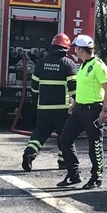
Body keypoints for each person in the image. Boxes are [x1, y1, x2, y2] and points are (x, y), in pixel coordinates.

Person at [56, 34, 107, 188]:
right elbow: (82, 87)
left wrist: (105, 110)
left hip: (93, 110)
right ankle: (73, 175)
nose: (74, 50)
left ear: (81, 49)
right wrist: (74, 103)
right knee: (65, 139)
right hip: (79, 110)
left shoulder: (98, 66)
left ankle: (96, 177)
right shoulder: (83, 65)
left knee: (94, 145)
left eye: (75, 48)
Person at [21, 33, 78, 172]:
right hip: (63, 109)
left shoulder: (40, 63)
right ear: (65, 48)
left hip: (44, 108)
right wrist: (77, 103)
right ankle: (63, 162)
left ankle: (29, 153)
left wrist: (35, 101)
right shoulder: (68, 64)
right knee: (65, 136)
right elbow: (73, 87)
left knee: (40, 133)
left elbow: (34, 87)